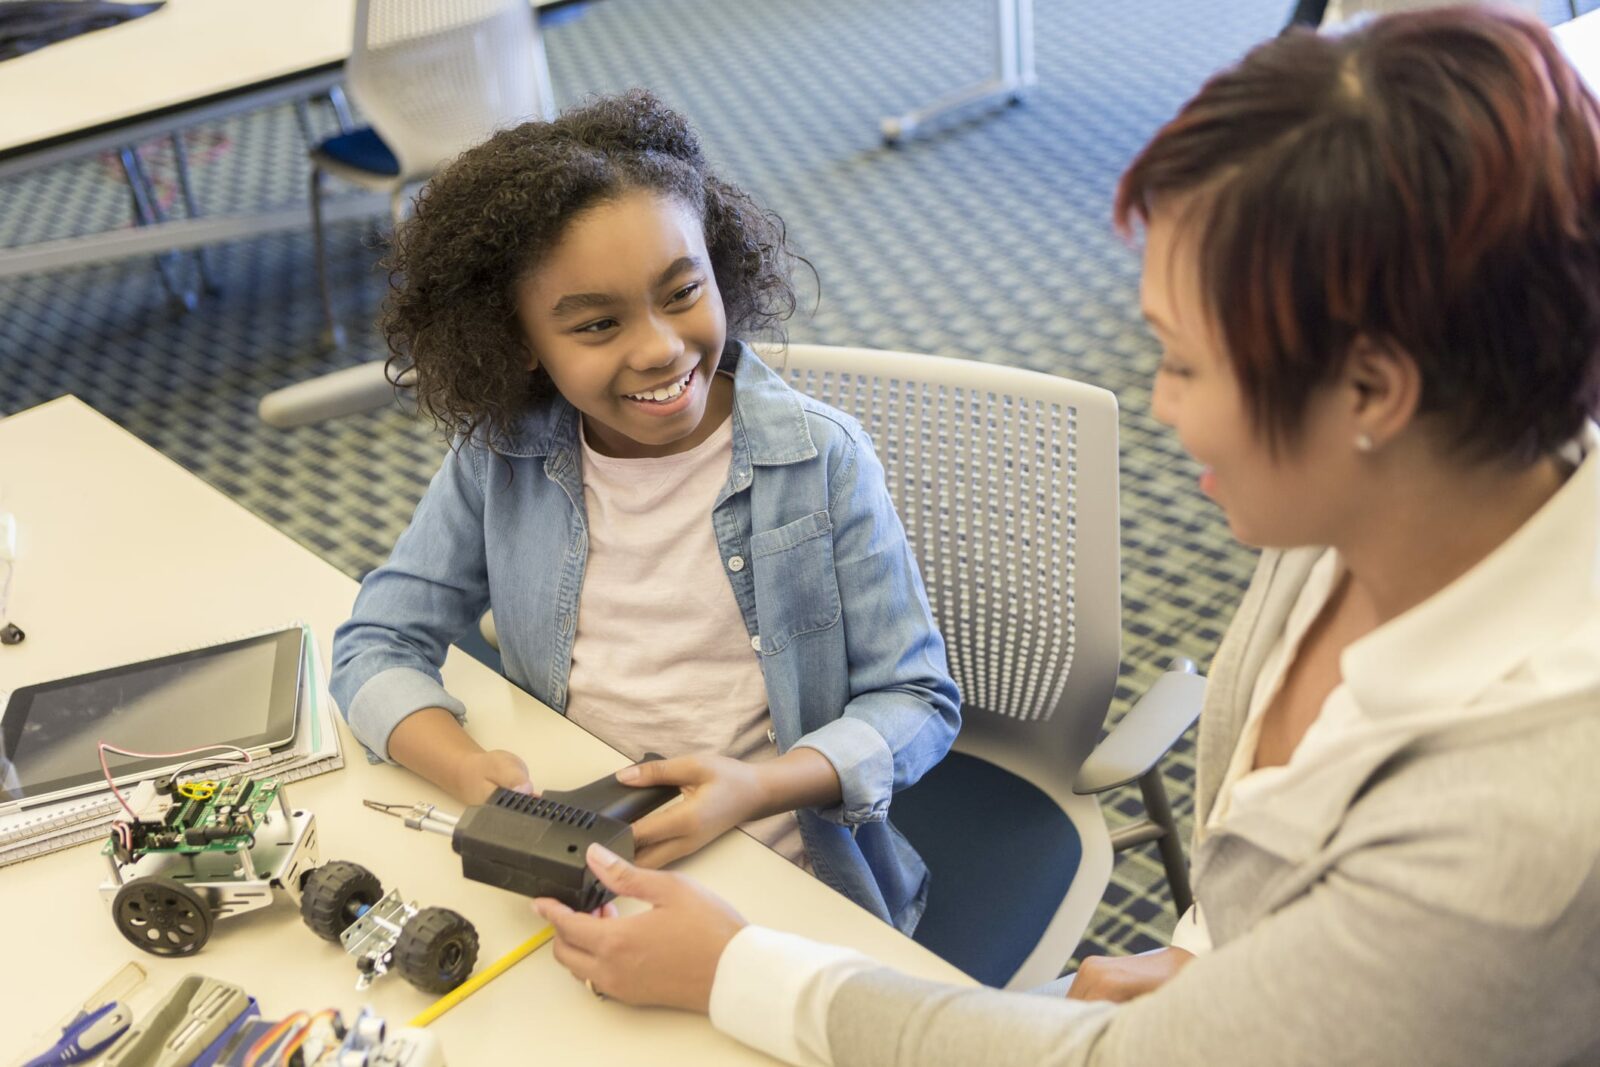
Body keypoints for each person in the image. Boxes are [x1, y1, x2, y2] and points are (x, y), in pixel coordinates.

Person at [531, 9, 1600, 1065]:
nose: (1161, 404)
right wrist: (1221, 967)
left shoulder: (1522, 839)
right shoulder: (1391, 494)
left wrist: (733, 967)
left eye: (1183, 362)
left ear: (1372, 391)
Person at [329, 91, 960, 934]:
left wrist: (760, 785)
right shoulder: (502, 456)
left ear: (718, 266)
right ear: (518, 342)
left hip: (781, 865)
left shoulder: (820, 458)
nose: (660, 346)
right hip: (575, 852)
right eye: (596, 324)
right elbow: (375, 642)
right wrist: (469, 770)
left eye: (682, 291)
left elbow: (917, 698)